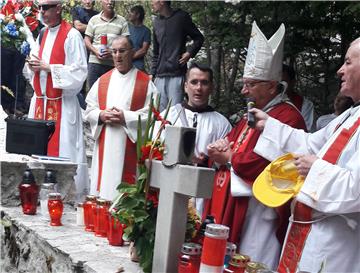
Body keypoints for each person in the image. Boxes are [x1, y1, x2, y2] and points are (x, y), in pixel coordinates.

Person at [251, 37, 360, 273]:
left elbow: (356, 189)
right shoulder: (350, 116)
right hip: (311, 235)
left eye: (348, 62)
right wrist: (269, 125)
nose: (340, 70)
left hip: (338, 246)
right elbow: (311, 146)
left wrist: (316, 169)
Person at [204, 22, 307, 269]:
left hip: (262, 211)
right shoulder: (254, 112)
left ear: (272, 86)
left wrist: (228, 158)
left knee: (253, 260)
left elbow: (262, 163)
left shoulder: (289, 118)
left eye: (250, 84)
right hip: (237, 202)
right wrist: (220, 149)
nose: (243, 90)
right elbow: (231, 141)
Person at [24, 0, 89, 201]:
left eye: (46, 7)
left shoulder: (72, 35)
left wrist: (50, 68)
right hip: (41, 103)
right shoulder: (42, 34)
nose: (42, 12)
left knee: (64, 151)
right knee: (37, 154)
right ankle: (38, 196)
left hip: (62, 104)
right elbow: (31, 69)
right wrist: (31, 65)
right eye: (40, 8)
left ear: (59, 8)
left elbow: (80, 72)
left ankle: (68, 198)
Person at [85, 36, 158, 201]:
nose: (118, 55)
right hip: (105, 146)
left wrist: (125, 117)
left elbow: (153, 115)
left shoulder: (145, 83)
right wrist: (101, 115)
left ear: (132, 52)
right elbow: (89, 109)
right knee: (103, 192)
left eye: (122, 51)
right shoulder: (103, 81)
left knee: (126, 196)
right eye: (114, 51)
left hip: (130, 150)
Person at [158, 63, 232, 214]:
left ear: (211, 87)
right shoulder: (169, 115)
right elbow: (154, 150)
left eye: (204, 83)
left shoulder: (222, 124)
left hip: (204, 195)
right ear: (185, 86)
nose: (199, 88)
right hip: (171, 188)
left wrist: (209, 160)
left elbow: (227, 163)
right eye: (194, 82)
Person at [151, 0, 204, 111]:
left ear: (162, 2)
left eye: (153, 0)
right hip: (159, 76)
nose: (151, 2)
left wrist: (189, 53)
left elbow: (199, 38)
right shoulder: (156, 22)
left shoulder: (181, 17)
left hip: (177, 74)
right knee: (159, 116)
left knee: (175, 114)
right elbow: (156, 52)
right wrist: (152, 74)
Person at [84, 0, 129, 90]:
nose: (110, 2)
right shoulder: (94, 20)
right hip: (95, 63)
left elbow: (126, 43)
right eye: (107, 0)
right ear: (101, 1)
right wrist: (96, 51)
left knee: (112, 93)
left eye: (112, 0)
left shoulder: (122, 21)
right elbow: (87, 40)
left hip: (113, 64)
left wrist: (113, 52)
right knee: (94, 93)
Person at [71, 0, 98, 109]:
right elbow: (78, 26)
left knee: (91, 80)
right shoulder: (76, 10)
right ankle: (78, 107)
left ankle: (90, 108)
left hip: (92, 50)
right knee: (78, 78)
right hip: (78, 48)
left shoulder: (97, 14)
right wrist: (95, 27)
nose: (87, 2)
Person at [282, 64, 315, 131]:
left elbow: (305, 131)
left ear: (293, 82)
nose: (280, 85)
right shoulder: (266, 100)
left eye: (283, 81)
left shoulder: (305, 105)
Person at [128, 5, 151, 72]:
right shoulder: (127, 28)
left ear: (137, 15)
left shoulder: (146, 31)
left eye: (131, 12)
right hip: (126, 66)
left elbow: (144, 50)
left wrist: (129, 58)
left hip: (138, 67)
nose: (129, 14)